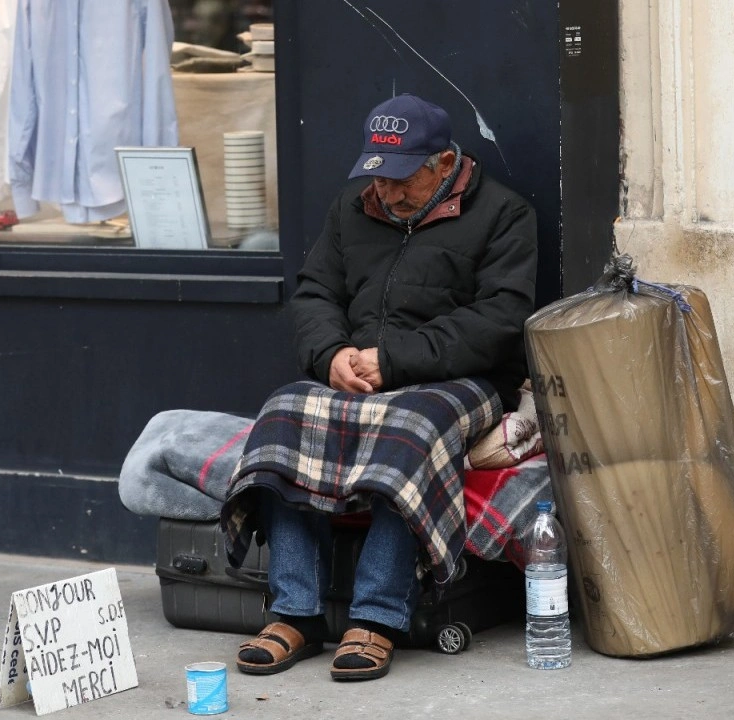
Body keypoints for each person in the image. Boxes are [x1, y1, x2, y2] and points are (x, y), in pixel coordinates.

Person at [221, 93, 538, 681]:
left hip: (459, 379)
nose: (386, 193)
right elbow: (316, 293)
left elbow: (498, 320)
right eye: (377, 176)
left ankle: (378, 616)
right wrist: (334, 353)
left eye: (401, 180)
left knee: (409, 431)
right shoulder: (353, 207)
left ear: (444, 164)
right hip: (362, 368)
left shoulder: (503, 214)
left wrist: (392, 361)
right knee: (283, 412)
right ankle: (295, 609)